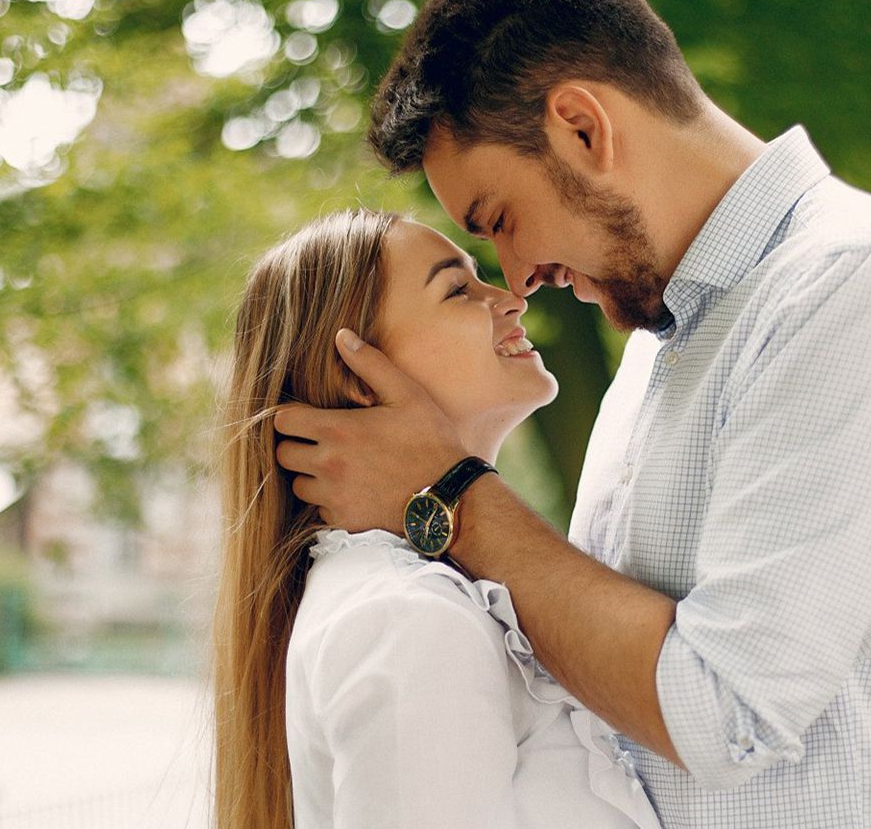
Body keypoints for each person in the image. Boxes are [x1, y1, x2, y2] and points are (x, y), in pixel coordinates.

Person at [271, 0, 871, 829]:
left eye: (500, 220)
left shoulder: (853, 287)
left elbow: (725, 713)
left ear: (584, 128)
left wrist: (447, 492)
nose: (519, 278)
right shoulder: (660, 350)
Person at [211, 209, 663, 829]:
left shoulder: (431, 598)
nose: (509, 298)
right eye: (458, 289)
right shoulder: (406, 618)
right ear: (361, 379)